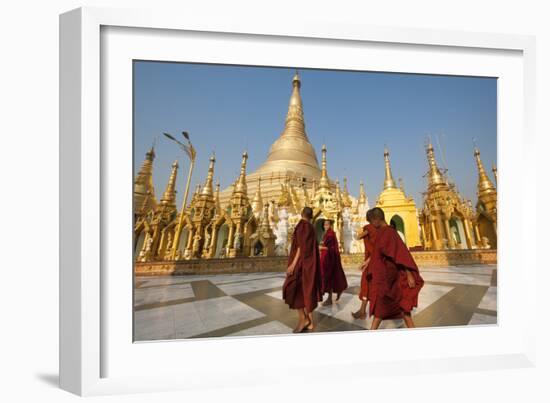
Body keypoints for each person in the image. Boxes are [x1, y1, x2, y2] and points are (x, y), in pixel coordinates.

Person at [365, 207, 424, 329]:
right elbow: (377, 253)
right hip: (384, 277)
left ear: (377, 219)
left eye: (371, 221)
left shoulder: (389, 233)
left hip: (390, 279)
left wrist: (409, 275)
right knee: (395, 310)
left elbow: (401, 254)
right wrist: (368, 263)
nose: (371, 225)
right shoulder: (382, 233)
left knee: (387, 310)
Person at [282, 207, 323, 333]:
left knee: (291, 288)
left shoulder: (303, 226)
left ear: (301, 214)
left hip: (301, 264)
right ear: (311, 216)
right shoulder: (310, 227)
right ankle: (307, 320)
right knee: (304, 291)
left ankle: (304, 318)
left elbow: (301, 246)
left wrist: (293, 264)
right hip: (308, 264)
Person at [352, 209, 377, 319]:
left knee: (369, 285)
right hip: (371, 261)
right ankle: (362, 311)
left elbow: (358, 237)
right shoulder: (375, 229)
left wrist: (366, 262)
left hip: (373, 262)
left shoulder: (370, 228)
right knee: (366, 285)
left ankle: (363, 311)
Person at [319, 219, 348, 306]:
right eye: (324, 225)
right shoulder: (328, 234)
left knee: (328, 278)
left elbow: (330, 248)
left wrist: (320, 248)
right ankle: (336, 291)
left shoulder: (330, 234)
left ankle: (329, 298)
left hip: (329, 259)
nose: (325, 226)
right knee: (328, 277)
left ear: (330, 225)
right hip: (326, 258)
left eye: (327, 225)